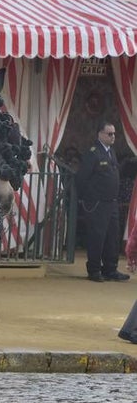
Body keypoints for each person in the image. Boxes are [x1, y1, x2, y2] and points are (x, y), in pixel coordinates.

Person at [78, 121, 130, 282]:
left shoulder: (110, 152)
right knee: (97, 237)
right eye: (109, 134)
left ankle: (110, 269)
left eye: (114, 134)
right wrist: (88, 198)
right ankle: (94, 270)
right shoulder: (93, 153)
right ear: (100, 134)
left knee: (112, 237)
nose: (113, 137)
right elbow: (81, 178)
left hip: (111, 202)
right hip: (97, 203)